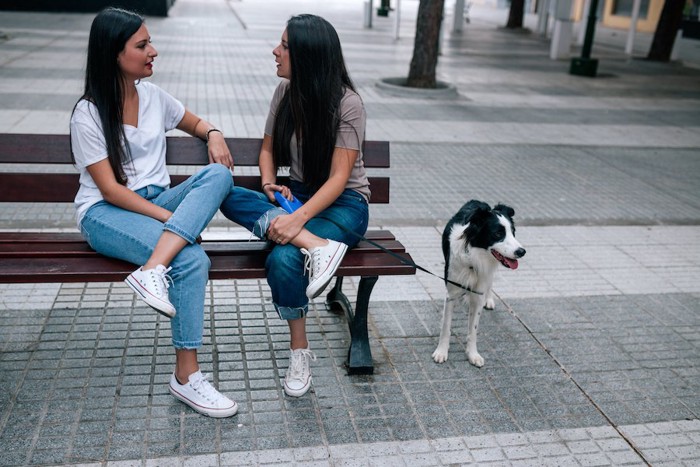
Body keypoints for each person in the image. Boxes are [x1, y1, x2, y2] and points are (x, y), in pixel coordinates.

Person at [70, 7, 237, 418]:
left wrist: (213, 133)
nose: (153, 51)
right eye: (142, 45)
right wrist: (171, 223)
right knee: (192, 256)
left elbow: (197, 123)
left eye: (150, 43)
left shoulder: (154, 98)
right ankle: (187, 377)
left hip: (158, 205)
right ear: (114, 53)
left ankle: (152, 269)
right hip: (107, 213)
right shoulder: (88, 114)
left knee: (218, 175)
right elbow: (109, 190)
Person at [220, 14, 370, 397]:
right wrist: (270, 185)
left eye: (284, 46)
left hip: (343, 205)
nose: (275, 51)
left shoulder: (348, 104)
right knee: (227, 192)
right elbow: (267, 148)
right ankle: (318, 248)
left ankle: (299, 351)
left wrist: (295, 219)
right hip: (297, 197)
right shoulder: (285, 94)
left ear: (307, 55)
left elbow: (339, 180)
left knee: (283, 259)